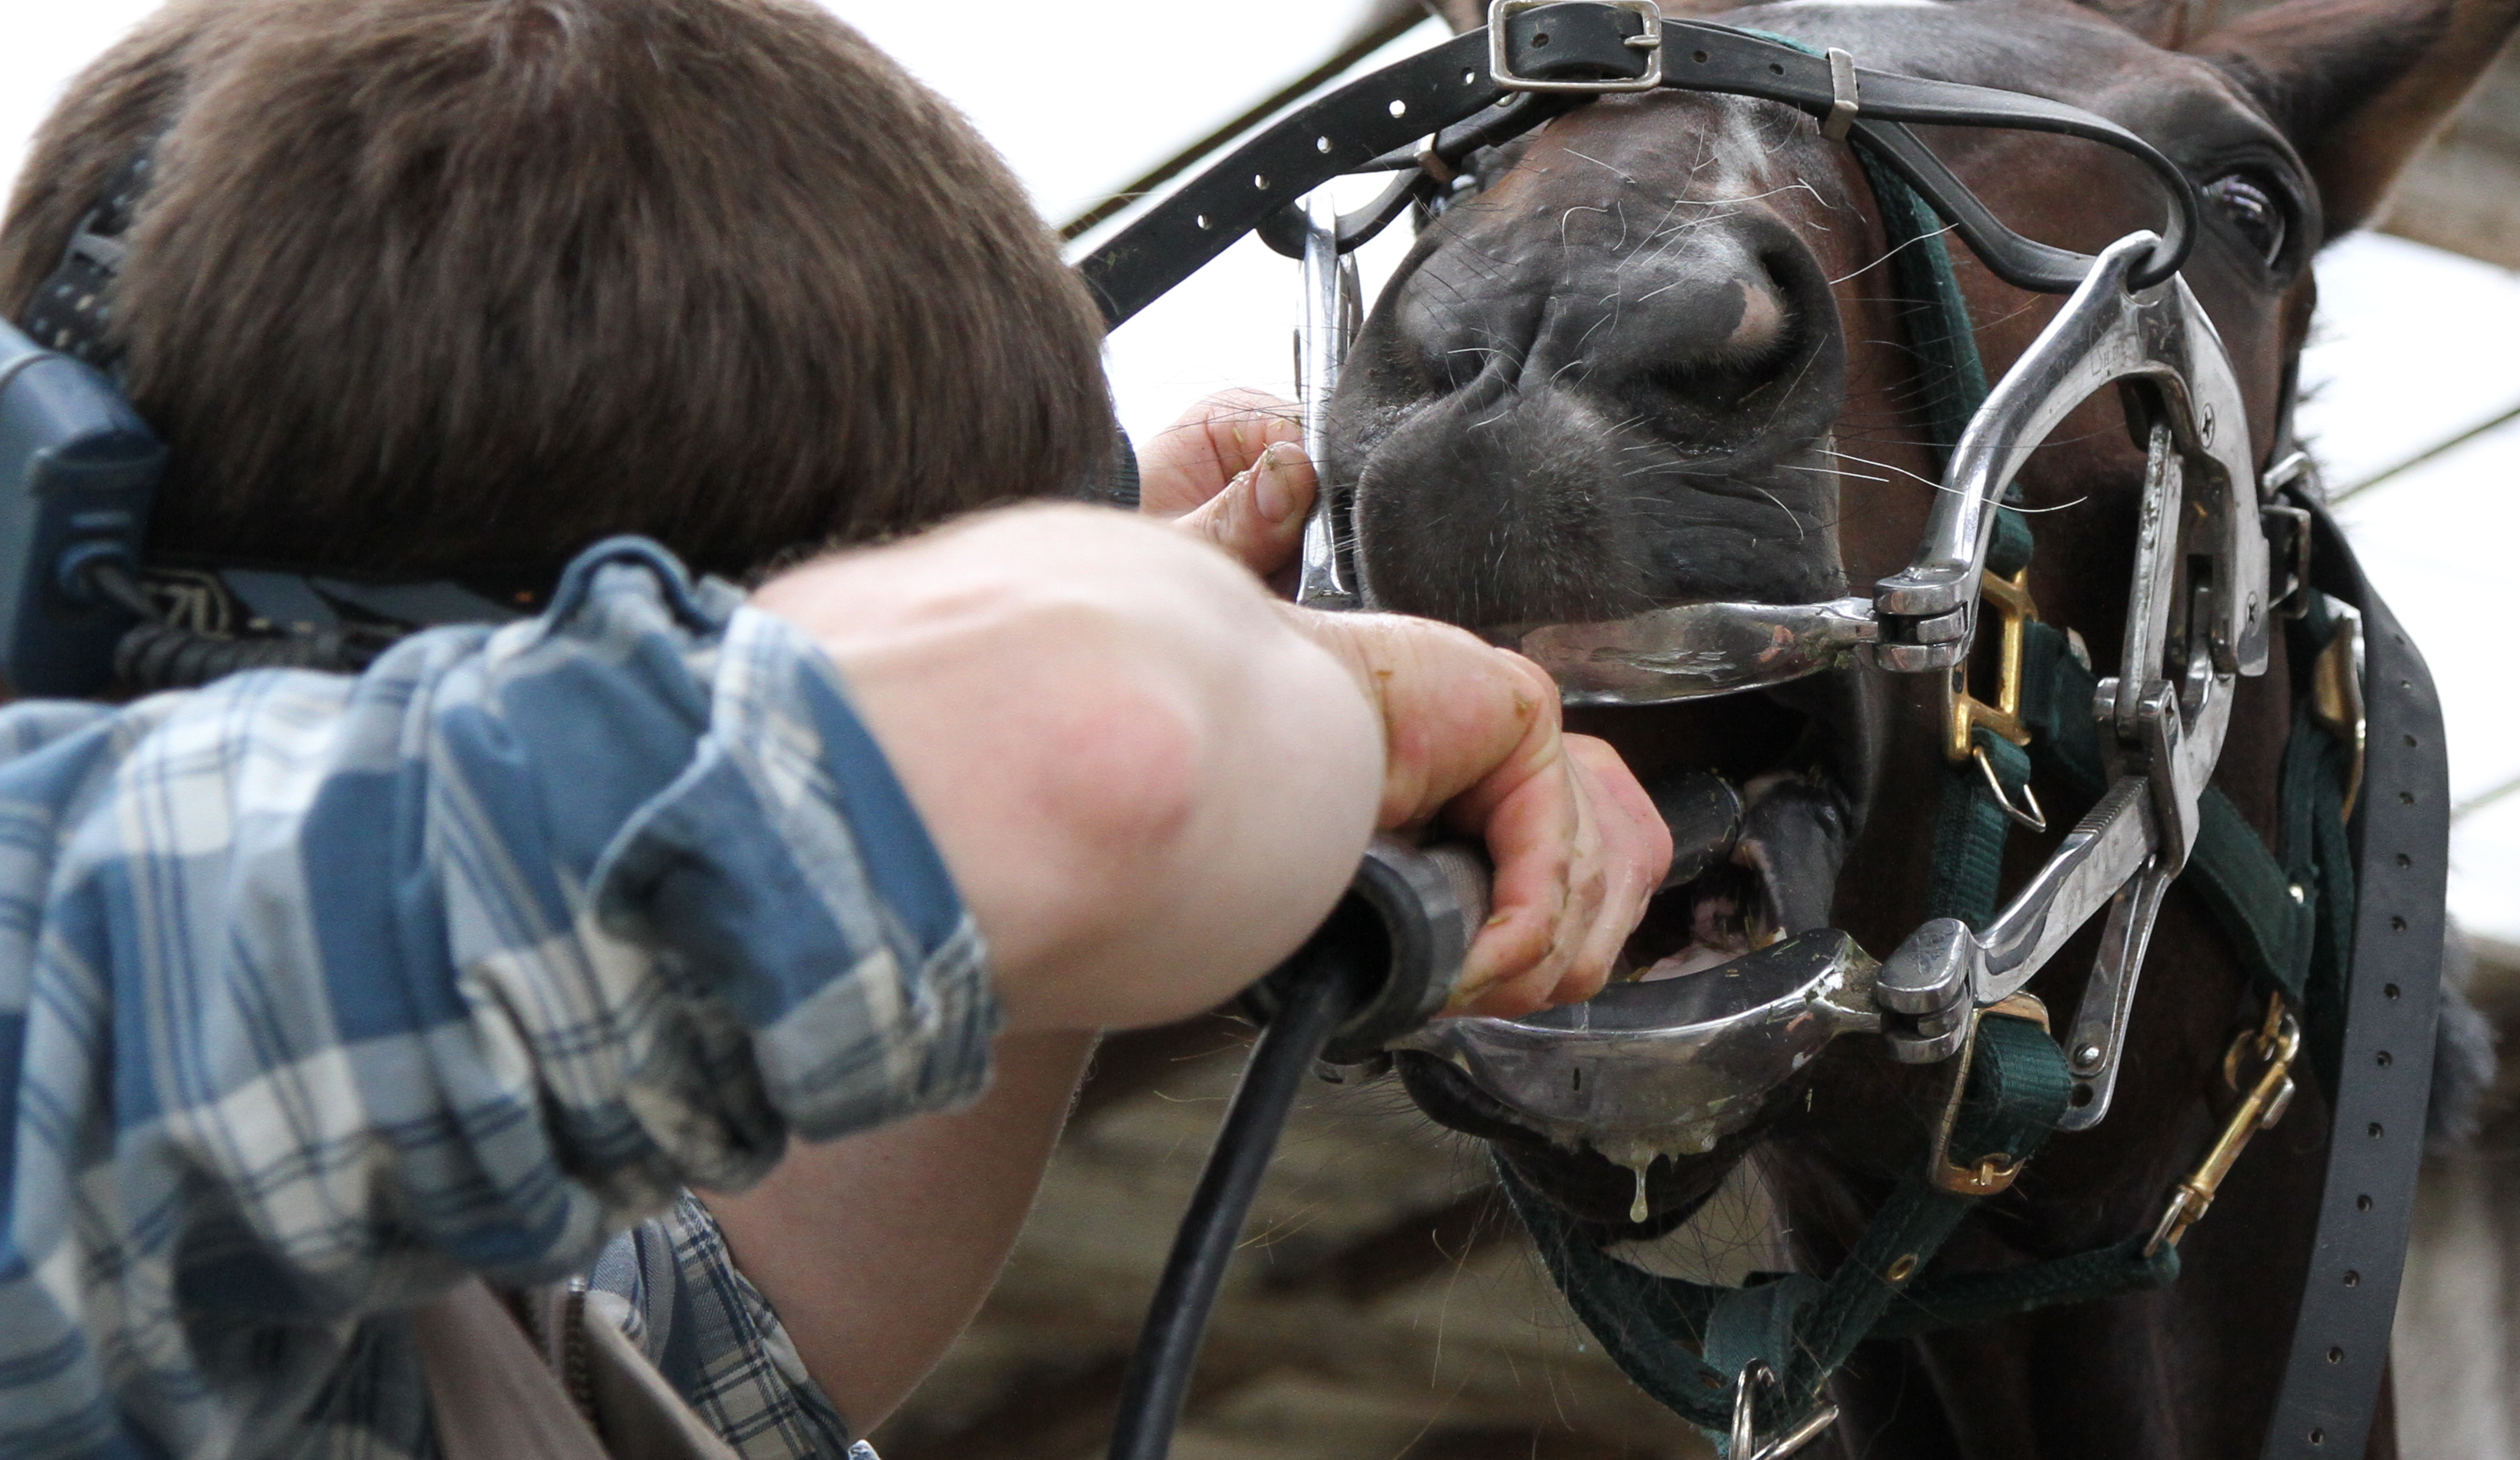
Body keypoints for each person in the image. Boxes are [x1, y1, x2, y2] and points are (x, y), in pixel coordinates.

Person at [0, 1, 1670, 1457]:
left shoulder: (232, 1236)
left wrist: (1142, 633)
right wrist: (1304, 697)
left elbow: (704, 1345)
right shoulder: (62, 959)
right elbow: (1095, 750)